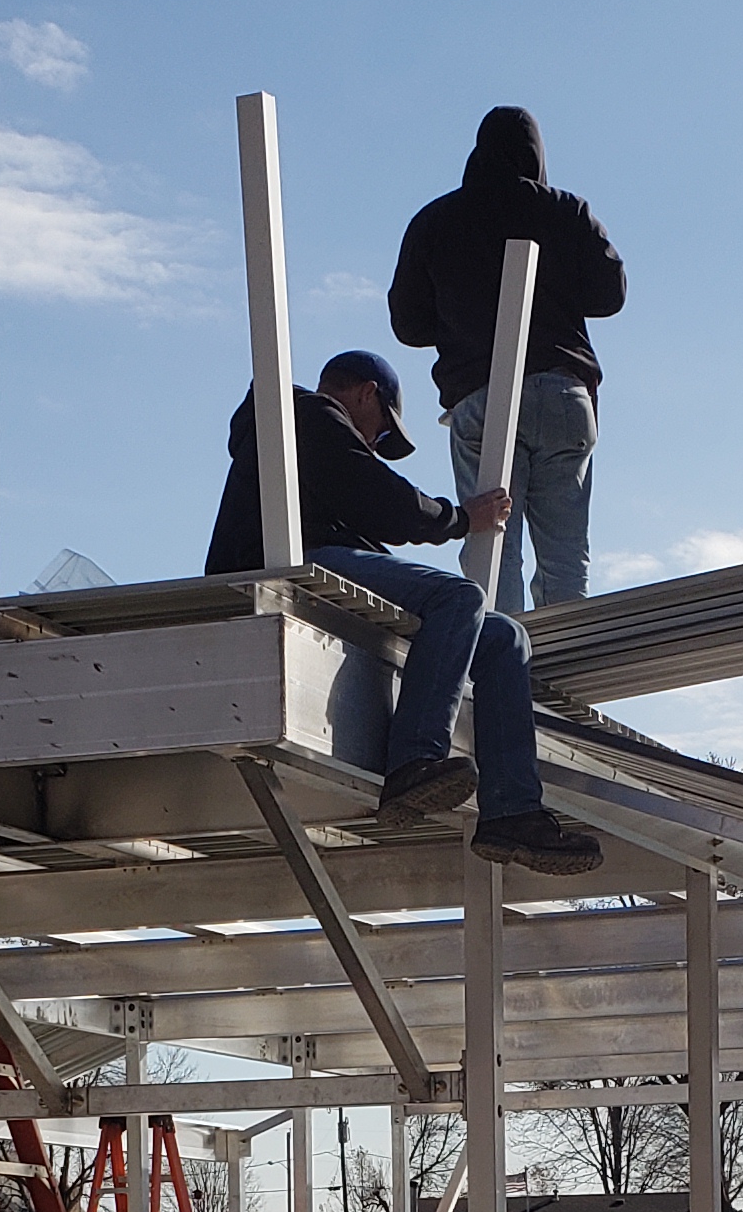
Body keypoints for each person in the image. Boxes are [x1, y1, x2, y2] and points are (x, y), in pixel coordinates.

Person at [207, 350, 602, 877]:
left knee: (504, 637)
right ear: (365, 393)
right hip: (285, 562)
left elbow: (366, 514)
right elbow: (380, 498)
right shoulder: (306, 414)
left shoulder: (311, 449)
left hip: (321, 556)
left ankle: (512, 811)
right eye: (380, 431)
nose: (374, 443)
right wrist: (459, 519)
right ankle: (414, 758)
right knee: (458, 598)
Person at [388, 107, 625, 614]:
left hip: (481, 395)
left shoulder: (435, 221)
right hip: (564, 393)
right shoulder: (565, 209)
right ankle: (565, 653)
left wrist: (459, 320)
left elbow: (407, 325)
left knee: (492, 543)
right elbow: (612, 294)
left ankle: (505, 655)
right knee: (565, 553)